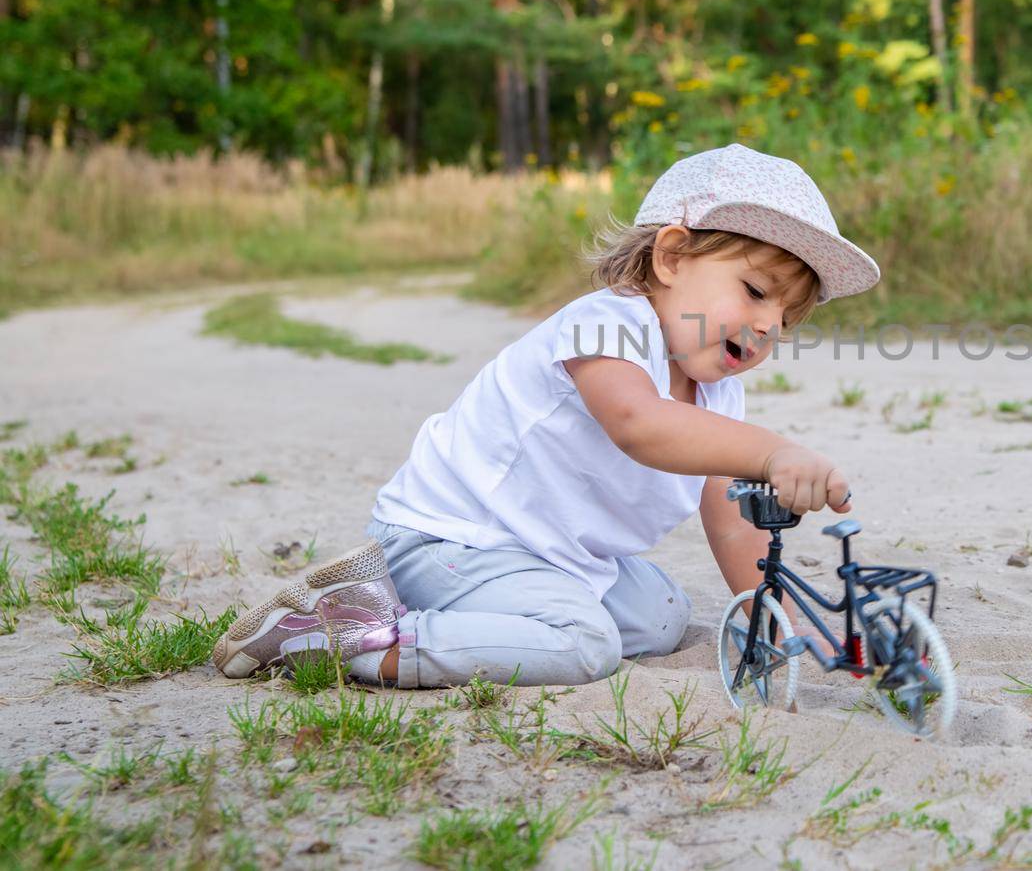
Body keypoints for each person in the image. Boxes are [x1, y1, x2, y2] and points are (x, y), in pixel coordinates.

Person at [212, 142, 879, 688]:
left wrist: (784, 626)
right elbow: (638, 425)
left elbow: (732, 517)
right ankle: (349, 638)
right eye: (756, 291)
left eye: (786, 317)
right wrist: (772, 451)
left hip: (546, 558)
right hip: (453, 540)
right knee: (586, 642)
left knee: (664, 613)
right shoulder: (609, 325)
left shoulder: (717, 389)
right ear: (672, 256)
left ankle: (471, 619)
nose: (768, 325)